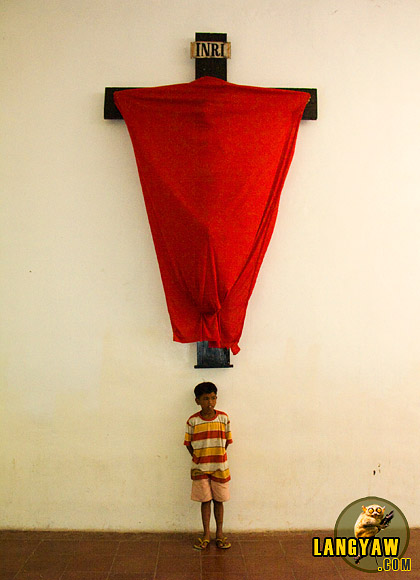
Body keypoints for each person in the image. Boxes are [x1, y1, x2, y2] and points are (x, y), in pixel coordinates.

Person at [184, 381, 233, 550]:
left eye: (213, 398)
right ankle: (206, 535)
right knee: (205, 501)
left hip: (220, 468)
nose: (210, 402)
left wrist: (217, 457)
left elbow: (226, 442)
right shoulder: (193, 421)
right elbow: (188, 444)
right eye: (205, 399)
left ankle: (219, 534)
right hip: (200, 469)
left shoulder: (223, 418)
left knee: (219, 501)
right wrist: (199, 459)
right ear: (197, 401)